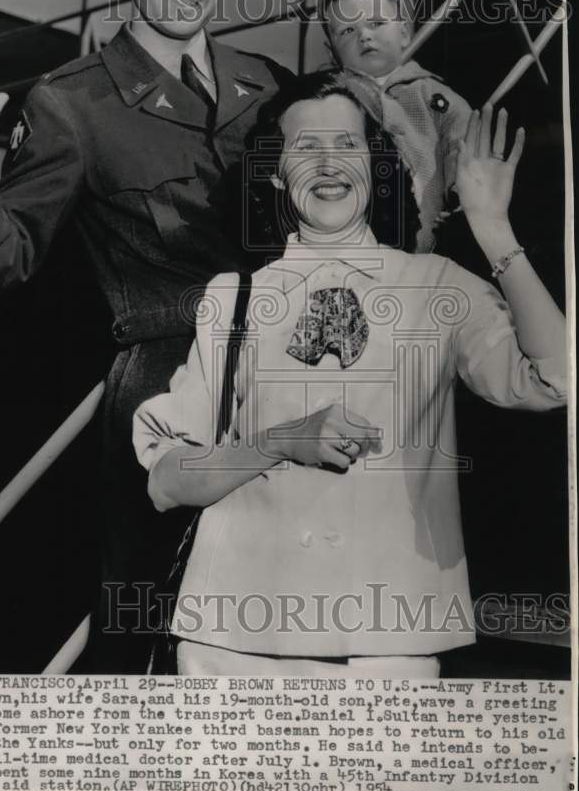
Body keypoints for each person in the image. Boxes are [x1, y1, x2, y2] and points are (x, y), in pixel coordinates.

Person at [0, 0, 290, 673]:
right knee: (154, 622)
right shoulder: (71, 102)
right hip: (164, 387)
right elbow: (3, 263)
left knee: (285, 605)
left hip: (287, 372)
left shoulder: (271, 87)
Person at [133, 72, 567, 676]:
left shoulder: (436, 286)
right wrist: (281, 440)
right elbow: (169, 480)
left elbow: (557, 380)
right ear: (277, 172)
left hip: (389, 646)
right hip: (232, 646)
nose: (328, 163)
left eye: (347, 144)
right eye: (305, 147)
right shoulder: (232, 301)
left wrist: (494, 230)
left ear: (377, 164)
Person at [321, 0, 473, 252]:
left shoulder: (429, 93)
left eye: (376, 23)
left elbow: (459, 142)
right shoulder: (332, 100)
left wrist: (460, 194)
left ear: (404, 33)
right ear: (332, 52)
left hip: (431, 232)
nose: (365, 36)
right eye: (347, 30)